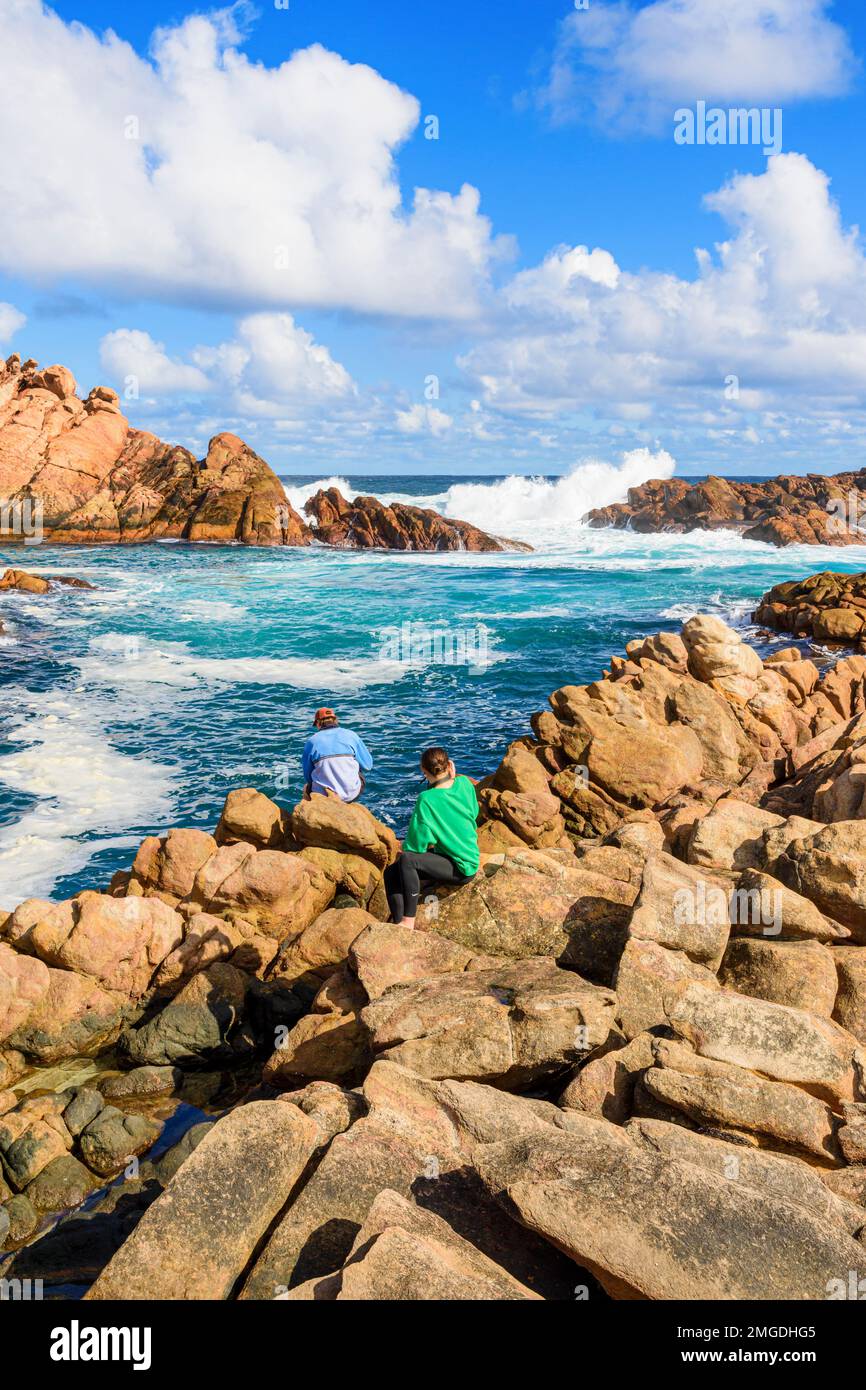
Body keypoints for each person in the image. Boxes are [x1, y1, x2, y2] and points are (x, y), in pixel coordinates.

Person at [384, 746, 479, 930]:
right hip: (465, 856)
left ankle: (408, 921)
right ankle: (398, 925)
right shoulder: (465, 784)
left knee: (407, 860)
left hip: (461, 868)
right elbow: (473, 813)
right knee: (391, 873)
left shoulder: (426, 798)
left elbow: (415, 847)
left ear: (424, 771)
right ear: (449, 765)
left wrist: (404, 848)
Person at [302, 707, 373, 803]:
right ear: (335, 720)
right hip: (351, 794)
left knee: (307, 786)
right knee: (356, 766)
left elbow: (308, 775)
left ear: (318, 723)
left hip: (324, 795)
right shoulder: (351, 735)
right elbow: (368, 766)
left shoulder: (311, 741)